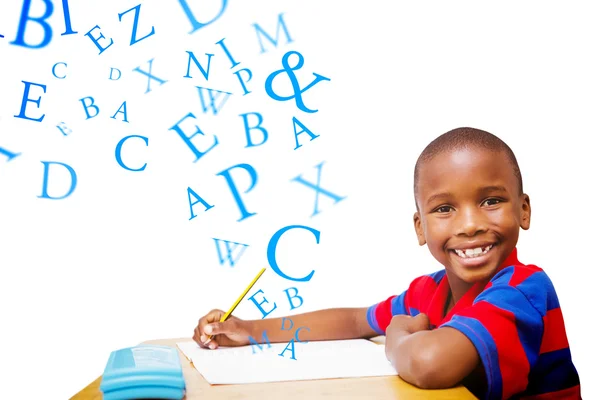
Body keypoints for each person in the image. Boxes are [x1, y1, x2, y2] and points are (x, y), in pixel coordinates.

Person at [192, 127, 581, 399]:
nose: (470, 224)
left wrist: (397, 336)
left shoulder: (522, 290)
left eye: (491, 201)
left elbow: (429, 364)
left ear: (524, 210)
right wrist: (250, 329)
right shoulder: (428, 292)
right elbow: (355, 320)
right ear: (421, 227)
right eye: (445, 208)